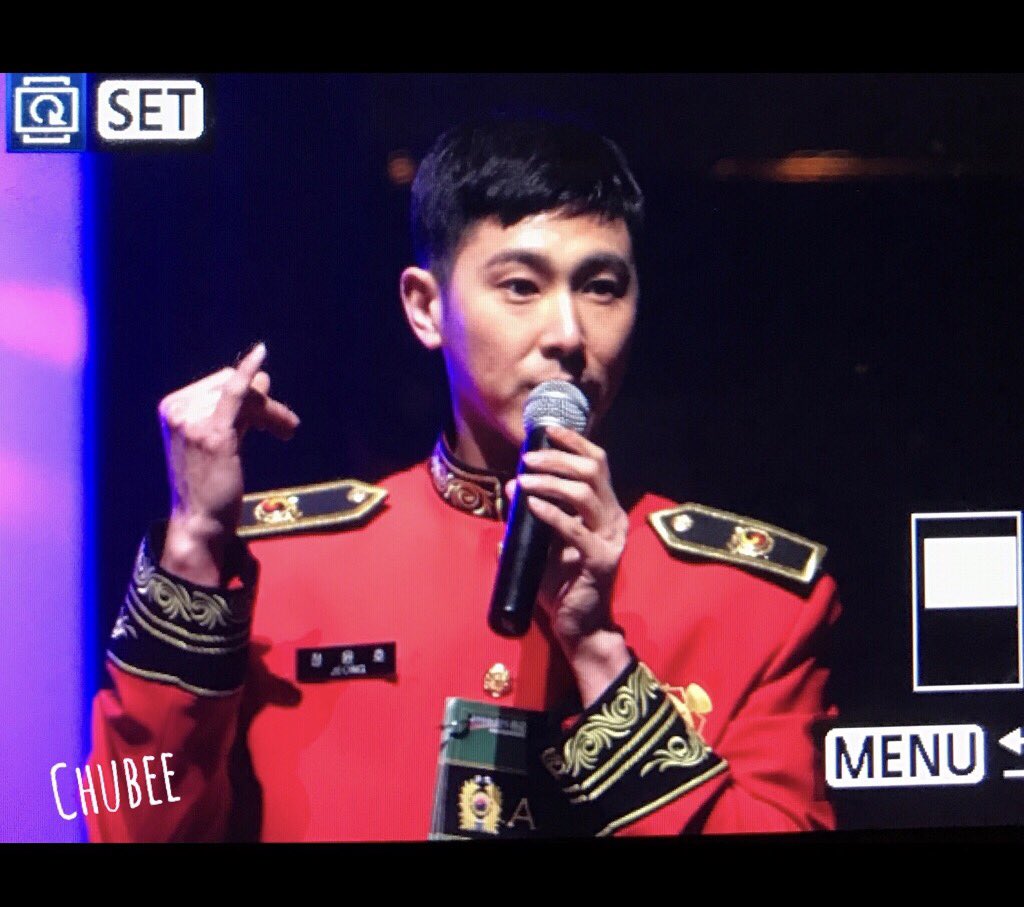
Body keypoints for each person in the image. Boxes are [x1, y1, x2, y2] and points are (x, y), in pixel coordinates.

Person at [87, 117, 840, 842]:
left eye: (602, 286)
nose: (568, 334)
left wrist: (600, 655)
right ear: (426, 308)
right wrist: (193, 544)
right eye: (521, 286)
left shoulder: (754, 603)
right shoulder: (281, 568)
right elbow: (122, 821)